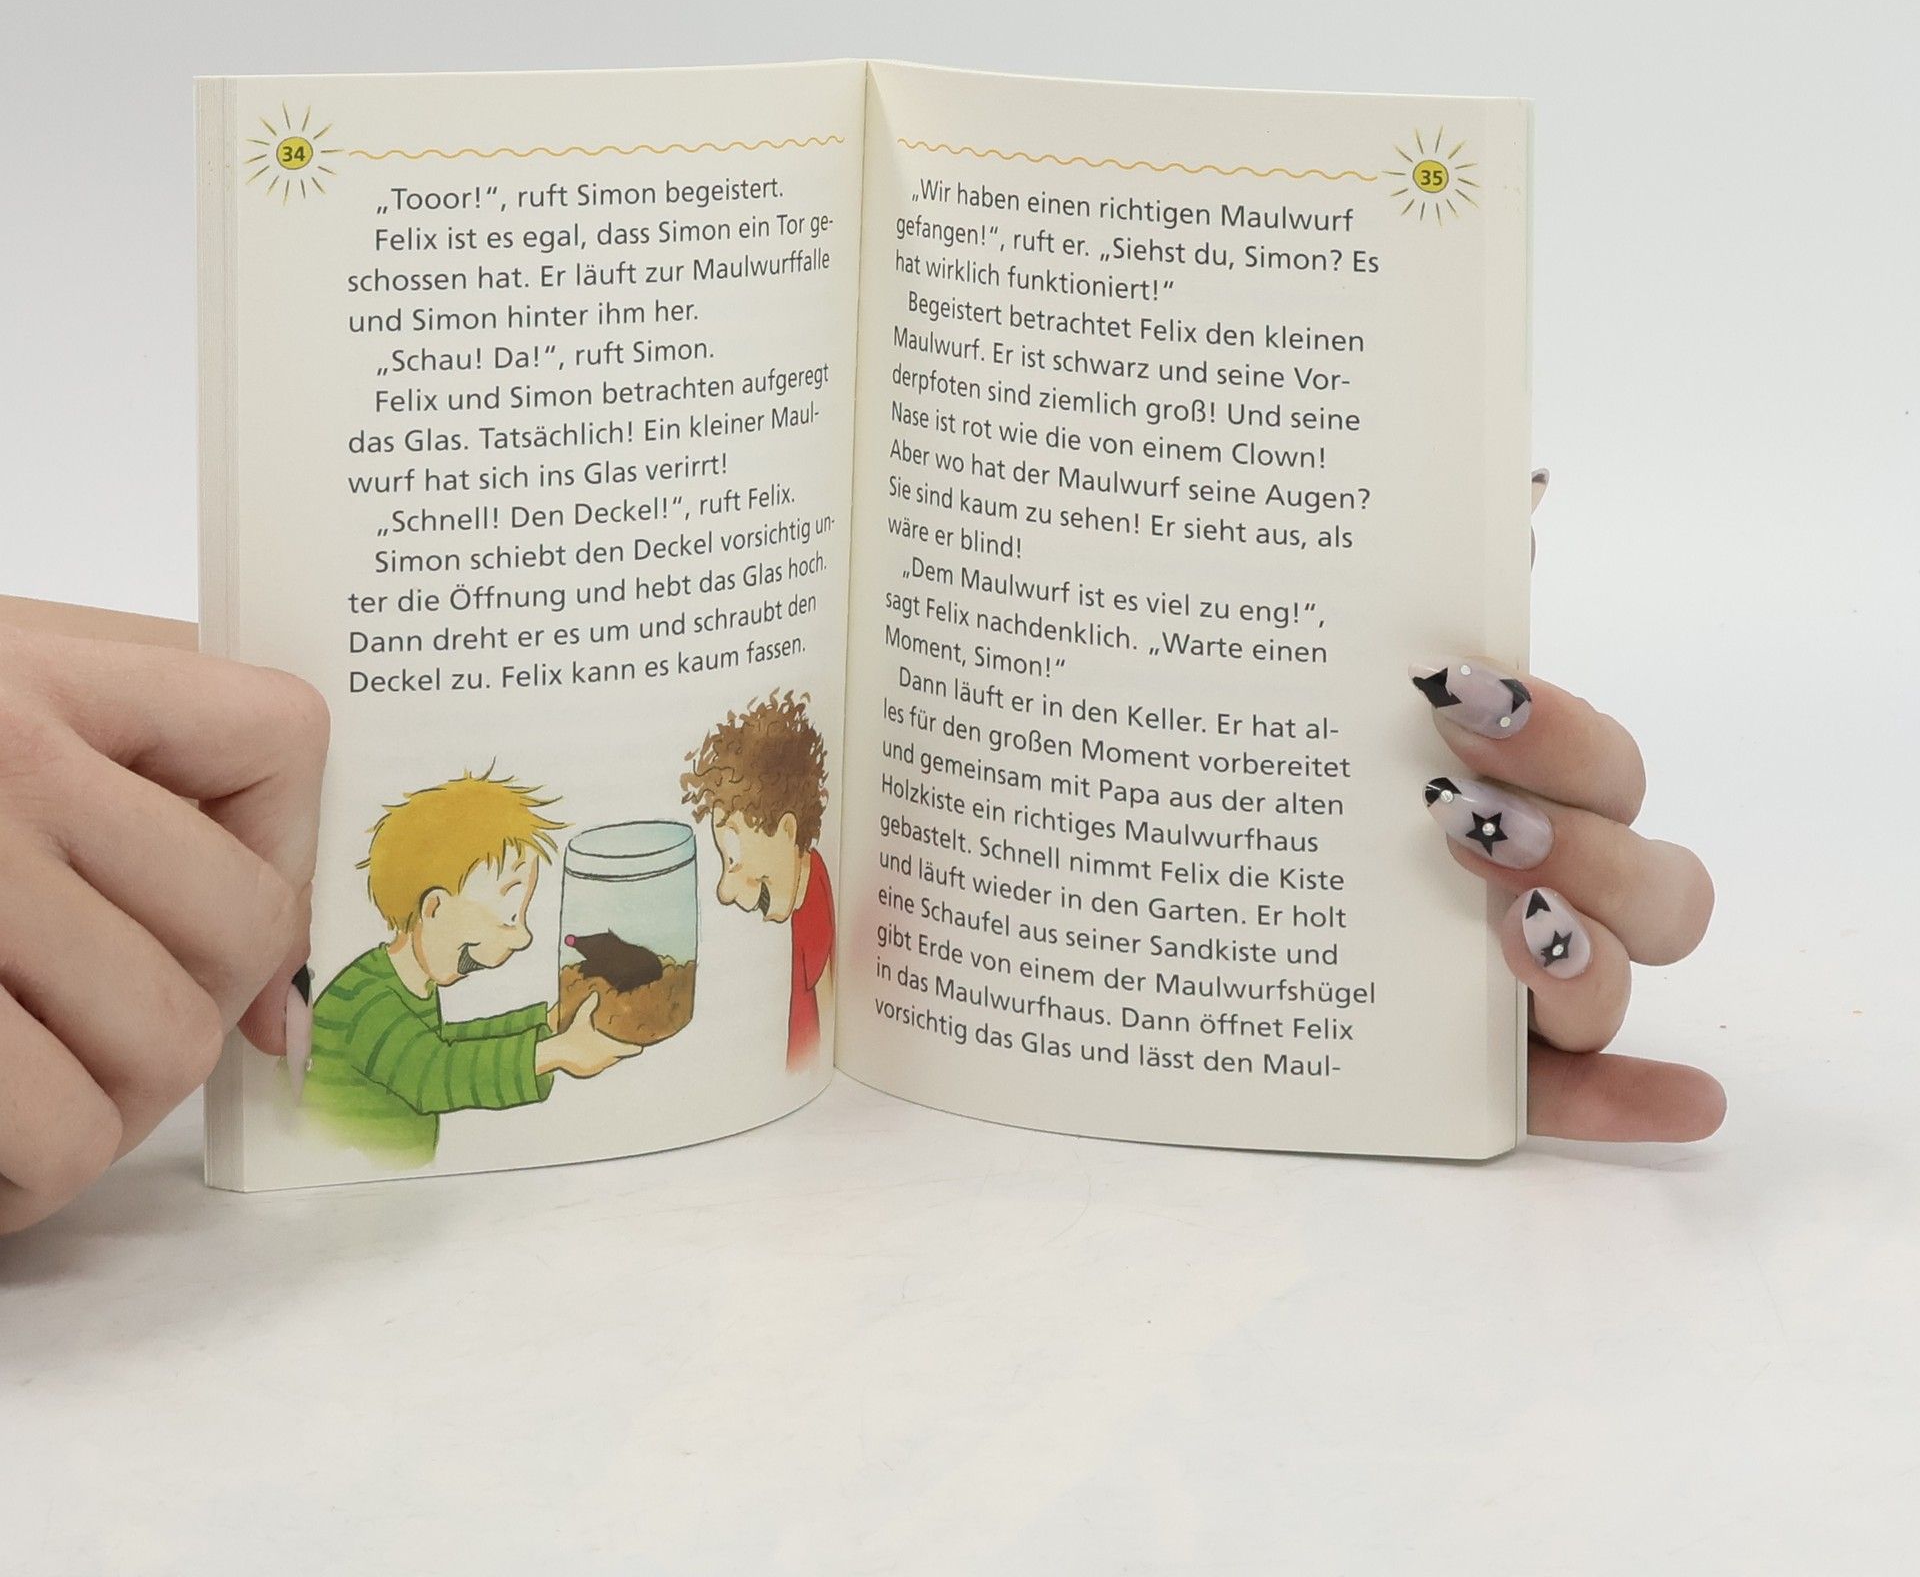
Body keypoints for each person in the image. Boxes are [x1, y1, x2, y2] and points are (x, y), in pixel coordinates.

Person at [0, 593, 1720, 1236]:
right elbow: (420, 1068)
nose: (737, 879)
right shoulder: (387, 994)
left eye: (740, 853)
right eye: (509, 900)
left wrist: (1284, 893)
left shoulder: (812, 904)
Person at [302, 770, 639, 1168]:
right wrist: (553, 1053)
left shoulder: (406, 984)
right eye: (509, 917)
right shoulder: (367, 1002)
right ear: (434, 908)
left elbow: (446, 1042)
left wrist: (546, 1022)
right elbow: (433, 1072)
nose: (523, 938)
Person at [680, 691, 836, 1072]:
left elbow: (827, 1008)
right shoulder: (805, 889)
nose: (724, 890)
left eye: (733, 858)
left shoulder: (813, 898)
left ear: (787, 830)